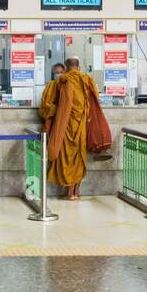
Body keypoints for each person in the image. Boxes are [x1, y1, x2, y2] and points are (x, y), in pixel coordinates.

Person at [38, 57, 106, 201]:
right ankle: (76, 192)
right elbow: (95, 100)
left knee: (66, 158)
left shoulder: (62, 80)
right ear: (79, 66)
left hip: (65, 126)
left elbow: (47, 106)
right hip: (82, 126)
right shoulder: (88, 80)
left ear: (67, 67)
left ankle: (69, 193)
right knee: (79, 157)